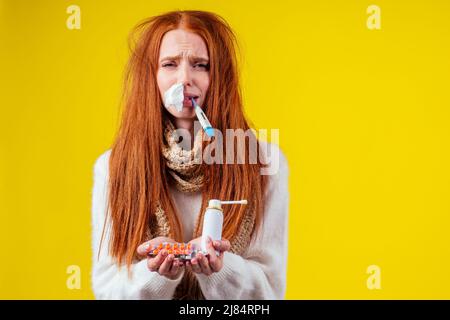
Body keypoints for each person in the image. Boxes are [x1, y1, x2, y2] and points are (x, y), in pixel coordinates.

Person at [91, 10, 289, 300]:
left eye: (201, 65)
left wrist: (221, 271)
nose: (184, 78)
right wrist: (154, 274)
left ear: (220, 76)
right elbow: (108, 292)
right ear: (152, 76)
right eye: (169, 64)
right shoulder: (113, 167)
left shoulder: (264, 162)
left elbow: (269, 294)